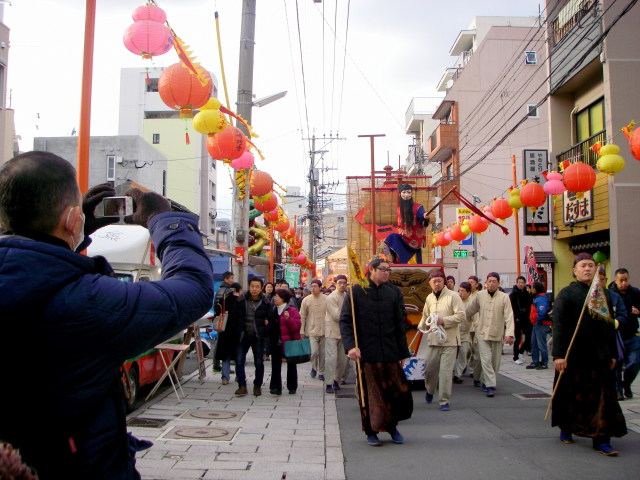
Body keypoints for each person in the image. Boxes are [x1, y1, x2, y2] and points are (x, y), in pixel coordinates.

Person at [0, 151, 213, 479]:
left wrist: (72, 234)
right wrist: (162, 220)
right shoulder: (88, 301)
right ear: (73, 219)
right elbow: (194, 289)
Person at [551, 253, 627, 455]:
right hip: (574, 356)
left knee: (603, 399)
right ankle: (566, 427)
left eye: (591, 266)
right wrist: (558, 355)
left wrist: (612, 353)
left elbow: (609, 327)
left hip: (599, 356)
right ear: (574, 270)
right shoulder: (566, 294)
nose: (587, 269)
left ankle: (602, 439)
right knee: (570, 395)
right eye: (583, 265)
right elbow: (559, 325)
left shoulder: (604, 296)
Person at [340, 259, 413, 446]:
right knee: (371, 395)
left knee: (394, 392)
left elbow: (399, 324)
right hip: (367, 353)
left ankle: (392, 427)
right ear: (371, 270)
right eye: (382, 269)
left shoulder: (394, 292)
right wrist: (351, 347)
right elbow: (346, 322)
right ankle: (371, 431)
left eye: (389, 270)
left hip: (389, 351)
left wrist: (402, 353)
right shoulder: (356, 291)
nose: (387, 273)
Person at [418, 271, 465, 411]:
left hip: (449, 341)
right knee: (429, 370)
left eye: (439, 281)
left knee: (445, 372)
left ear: (444, 282)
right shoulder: (429, 298)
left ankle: (444, 400)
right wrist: (420, 327)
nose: (437, 284)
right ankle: (430, 390)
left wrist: (443, 320)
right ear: (430, 283)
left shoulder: (453, 296)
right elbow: (425, 315)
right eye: (434, 281)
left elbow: (461, 316)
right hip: (433, 340)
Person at [465, 272, 514, 397]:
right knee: (485, 359)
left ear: (498, 283)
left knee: (495, 361)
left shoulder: (504, 297)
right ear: (486, 283)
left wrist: (509, 334)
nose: (491, 283)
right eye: (489, 281)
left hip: (497, 334)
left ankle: (477, 377)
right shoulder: (480, 296)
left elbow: (509, 317)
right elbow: (470, 310)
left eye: (494, 281)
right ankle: (489, 385)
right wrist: (461, 320)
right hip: (482, 333)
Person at [234, 277, 270, 396]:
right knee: (239, 361)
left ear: (261, 288)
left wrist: (265, 329)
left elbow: (271, 319)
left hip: (258, 337)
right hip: (243, 335)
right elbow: (234, 317)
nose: (254, 289)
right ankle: (242, 386)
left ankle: (257, 386)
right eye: (252, 286)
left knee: (259, 362)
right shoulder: (241, 299)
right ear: (249, 287)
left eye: (257, 287)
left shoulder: (265, 302)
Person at [609, 267, 640, 399]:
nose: (624, 283)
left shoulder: (635, 293)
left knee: (634, 362)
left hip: (633, 334)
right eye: (621, 280)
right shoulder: (610, 294)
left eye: (626, 280)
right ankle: (618, 390)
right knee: (616, 364)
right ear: (616, 280)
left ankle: (626, 384)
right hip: (616, 335)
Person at [266, 288, 302, 395]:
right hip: (276, 341)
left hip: (289, 342)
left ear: (283, 298)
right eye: (274, 296)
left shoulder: (292, 310)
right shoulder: (273, 310)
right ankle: (275, 387)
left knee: (291, 364)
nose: (274, 298)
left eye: (277, 296)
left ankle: (292, 386)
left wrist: (289, 319)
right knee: (275, 364)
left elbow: (296, 328)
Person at [384, 184, 430, 264]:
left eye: (409, 192)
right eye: (404, 192)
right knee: (391, 238)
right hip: (404, 238)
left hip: (415, 239)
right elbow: (399, 225)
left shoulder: (418, 207)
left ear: (411, 194)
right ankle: (391, 258)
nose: (406, 195)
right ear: (400, 194)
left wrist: (424, 217)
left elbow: (422, 220)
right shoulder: (399, 209)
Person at [324, 275, 350, 393]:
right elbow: (337, 316)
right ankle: (328, 382)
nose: (342, 285)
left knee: (342, 359)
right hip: (332, 331)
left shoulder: (347, 296)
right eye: (340, 283)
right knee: (331, 358)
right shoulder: (331, 298)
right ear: (335, 283)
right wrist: (351, 319)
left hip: (344, 332)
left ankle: (336, 380)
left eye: (344, 283)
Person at [214, 282, 243, 385]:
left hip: (225, 331)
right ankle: (239, 377)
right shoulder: (241, 301)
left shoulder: (224, 300)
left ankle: (225, 377)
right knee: (238, 356)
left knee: (226, 355)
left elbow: (217, 313)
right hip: (237, 331)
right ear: (239, 290)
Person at [300, 279, 327, 380]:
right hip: (311, 330)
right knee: (314, 352)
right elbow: (302, 316)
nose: (313, 288)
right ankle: (313, 367)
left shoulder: (326, 299)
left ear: (320, 288)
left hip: (324, 329)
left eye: (315, 286)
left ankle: (321, 371)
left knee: (323, 353)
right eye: (312, 286)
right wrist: (301, 330)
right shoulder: (306, 300)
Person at [213, 271, 235, 372]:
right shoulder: (228, 291)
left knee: (218, 341)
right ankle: (221, 365)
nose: (232, 280)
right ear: (226, 279)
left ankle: (216, 364)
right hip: (226, 319)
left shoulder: (219, 290)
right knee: (224, 343)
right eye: (231, 278)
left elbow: (215, 305)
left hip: (219, 318)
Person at [527, 282, 551, 370]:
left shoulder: (541, 299)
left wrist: (538, 321)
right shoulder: (537, 298)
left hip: (540, 324)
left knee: (541, 344)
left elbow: (542, 311)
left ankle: (544, 362)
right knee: (534, 343)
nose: (531, 289)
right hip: (536, 324)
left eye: (532, 288)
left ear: (536, 289)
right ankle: (535, 361)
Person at [453, 282, 473, 384]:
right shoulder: (455, 300)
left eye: (463, 291)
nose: (460, 293)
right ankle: (451, 372)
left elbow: (476, 319)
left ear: (469, 292)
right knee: (452, 354)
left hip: (465, 333)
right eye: (459, 290)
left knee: (463, 352)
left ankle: (457, 374)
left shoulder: (472, 304)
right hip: (453, 333)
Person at [510, 276, 533, 365]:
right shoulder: (513, 294)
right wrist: (516, 316)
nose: (520, 284)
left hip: (526, 318)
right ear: (516, 283)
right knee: (518, 338)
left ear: (524, 284)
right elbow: (512, 307)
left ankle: (521, 351)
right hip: (517, 318)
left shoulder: (527, 293)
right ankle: (515, 357)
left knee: (529, 336)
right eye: (519, 282)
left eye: (522, 282)